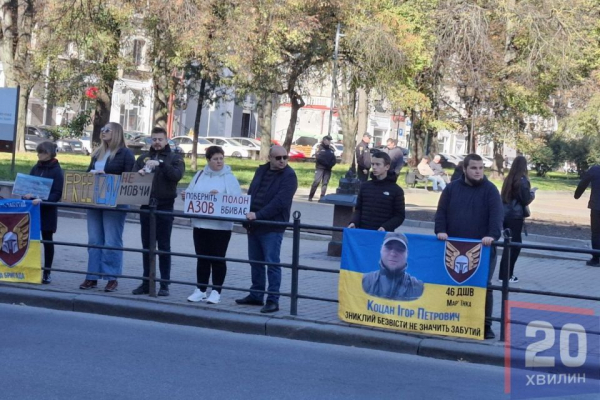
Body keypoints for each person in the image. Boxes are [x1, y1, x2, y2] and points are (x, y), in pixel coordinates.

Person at [434, 154, 503, 339]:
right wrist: (440, 230)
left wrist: (492, 235)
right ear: (465, 169)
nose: (478, 171)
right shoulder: (451, 189)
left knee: (483, 286)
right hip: (454, 248)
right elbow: (441, 212)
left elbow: (497, 216)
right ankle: (450, 319)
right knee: (451, 284)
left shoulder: (490, 190)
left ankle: (485, 324)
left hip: (482, 248)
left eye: (481, 168)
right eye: (474, 168)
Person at [236, 145, 298, 313]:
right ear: (269, 158)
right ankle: (256, 294)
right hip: (254, 224)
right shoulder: (261, 171)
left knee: (272, 262)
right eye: (278, 158)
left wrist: (258, 215)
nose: (283, 161)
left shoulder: (289, 176)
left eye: (285, 157)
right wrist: (246, 212)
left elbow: (280, 202)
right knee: (255, 261)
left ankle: (272, 299)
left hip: (272, 226)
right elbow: (252, 192)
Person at [79, 122, 135, 292]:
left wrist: (108, 176)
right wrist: (90, 175)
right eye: (102, 130)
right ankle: (92, 276)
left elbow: (129, 178)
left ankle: (112, 278)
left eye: (107, 130)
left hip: (115, 201)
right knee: (94, 239)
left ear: (116, 132)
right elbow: (89, 171)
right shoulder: (97, 153)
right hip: (95, 200)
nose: (103, 132)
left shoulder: (125, 154)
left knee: (112, 240)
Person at [183, 146, 241, 304]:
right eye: (215, 159)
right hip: (201, 224)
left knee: (218, 258)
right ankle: (200, 289)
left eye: (221, 158)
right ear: (208, 160)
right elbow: (190, 191)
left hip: (220, 227)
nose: (219, 162)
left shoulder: (229, 178)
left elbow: (236, 199)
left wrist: (220, 197)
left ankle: (216, 291)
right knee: (202, 258)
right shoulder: (200, 175)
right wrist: (186, 196)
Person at [131, 127, 185, 297]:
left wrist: (161, 164)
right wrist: (138, 174)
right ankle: (147, 281)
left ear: (166, 140)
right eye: (153, 139)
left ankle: (164, 284)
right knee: (147, 246)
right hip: (146, 206)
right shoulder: (142, 158)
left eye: (160, 139)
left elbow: (177, 176)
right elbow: (131, 177)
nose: (156, 142)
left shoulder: (174, 158)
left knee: (164, 246)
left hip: (164, 206)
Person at [23, 141, 64, 284]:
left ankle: (47, 272)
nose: (39, 154)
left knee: (47, 241)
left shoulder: (57, 170)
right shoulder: (36, 167)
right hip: (33, 209)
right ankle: (28, 268)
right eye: (38, 152)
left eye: (42, 152)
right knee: (28, 239)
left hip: (47, 210)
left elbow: (57, 193)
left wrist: (43, 200)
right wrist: (26, 195)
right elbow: (27, 185)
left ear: (49, 153)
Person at [498, 156, 536, 282]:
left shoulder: (509, 178)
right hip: (515, 215)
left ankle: (504, 274)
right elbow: (525, 199)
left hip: (506, 214)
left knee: (508, 245)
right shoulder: (522, 180)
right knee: (515, 245)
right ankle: (507, 275)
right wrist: (532, 194)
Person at [348, 151, 405, 231]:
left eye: (378, 164)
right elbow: (358, 209)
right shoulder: (365, 186)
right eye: (372, 164)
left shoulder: (396, 190)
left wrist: (385, 227)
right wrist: (353, 222)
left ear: (387, 167)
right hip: (363, 232)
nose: (374, 167)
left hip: (383, 234)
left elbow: (399, 216)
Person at [362, 232, 424, 301]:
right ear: (380, 249)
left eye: (400, 249)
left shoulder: (418, 288)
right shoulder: (364, 281)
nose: (393, 254)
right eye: (389, 247)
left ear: (407, 254)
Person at [574, 163, 600, 266]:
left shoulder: (595, 170)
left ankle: (596, 259)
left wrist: (577, 195)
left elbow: (583, 183)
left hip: (596, 206)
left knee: (596, 233)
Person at [308, 135, 336, 201]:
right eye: (328, 140)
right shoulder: (319, 148)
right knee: (316, 182)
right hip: (320, 168)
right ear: (324, 140)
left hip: (328, 169)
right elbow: (319, 158)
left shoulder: (331, 150)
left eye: (330, 141)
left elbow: (334, 159)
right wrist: (326, 163)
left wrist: (331, 164)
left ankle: (322, 197)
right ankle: (310, 196)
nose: (329, 142)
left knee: (325, 183)